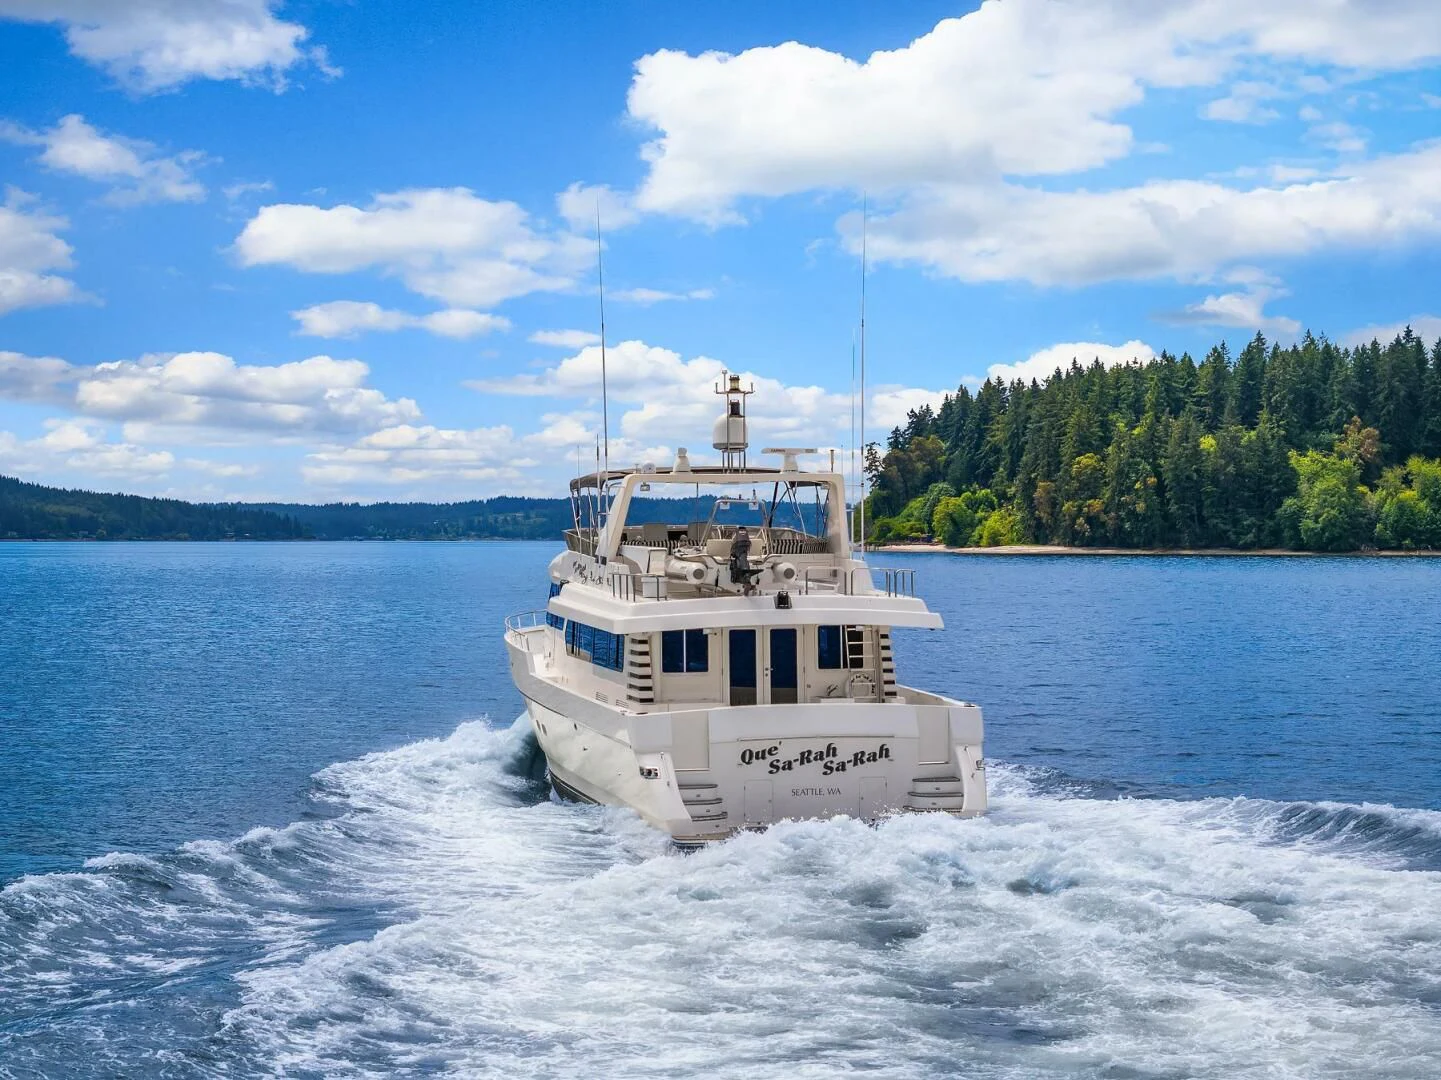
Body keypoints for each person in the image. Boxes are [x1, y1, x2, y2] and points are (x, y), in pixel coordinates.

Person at [729, 526, 758, 593]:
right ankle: (746, 579)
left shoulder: (737, 544)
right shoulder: (744, 545)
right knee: (743, 559)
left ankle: (745, 579)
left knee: (742, 559)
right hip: (743, 551)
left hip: (740, 551)